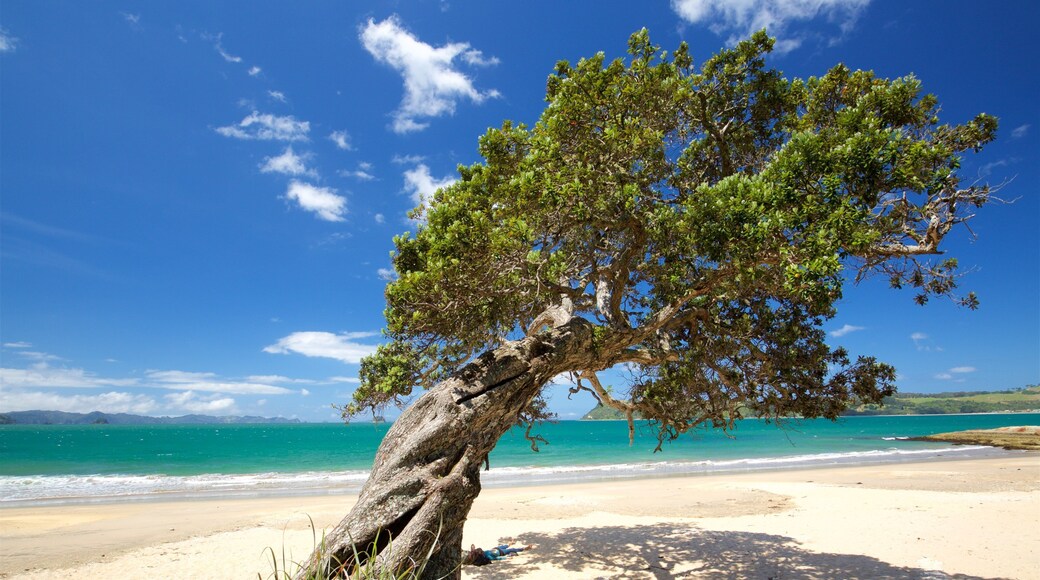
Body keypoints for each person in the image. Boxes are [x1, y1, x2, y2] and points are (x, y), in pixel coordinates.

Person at [462, 543, 533, 566]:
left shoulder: (484, 553)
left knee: (505, 546)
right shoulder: (488, 557)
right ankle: (524, 548)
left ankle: (510, 543)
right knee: (511, 549)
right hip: (501, 552)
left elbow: (476, 550)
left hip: (496, 548)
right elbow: (498, 558)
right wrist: (507, 557)